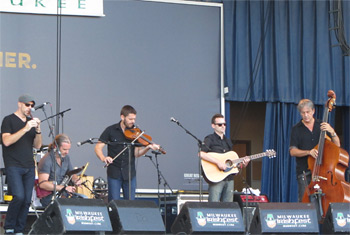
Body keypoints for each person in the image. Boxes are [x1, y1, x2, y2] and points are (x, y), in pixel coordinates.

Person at [94, 105, 160, 201]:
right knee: (114, 203)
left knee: (130, 204)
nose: (133, 121)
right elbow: (98, 147)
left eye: (134, 119)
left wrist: (148, 148)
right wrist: (104, 158)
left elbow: (137, 154)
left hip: (129, 173)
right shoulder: (110, 130)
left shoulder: (137, 133)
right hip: (114, 172)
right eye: (130, 119)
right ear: (122, 117)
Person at [1, 94, 42, 234]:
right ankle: (9, 227)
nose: (29, 108)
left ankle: (19, 229)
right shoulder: (8, 120)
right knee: (18, 196)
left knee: (26, 200)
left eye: (31, 105)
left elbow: (37, 145)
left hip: (29, 165)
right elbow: (6, 141)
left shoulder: (30, 121)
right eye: (27, 105)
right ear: (19, 104)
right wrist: (25, 128)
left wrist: (37, 129)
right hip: (13, 164)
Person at [289, 99, 340, 202]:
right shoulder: (296, 129)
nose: (306, 115)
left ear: (313, 111)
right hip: (305, 172)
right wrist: (309, 152)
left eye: (308, 112)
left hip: (324, 172)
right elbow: (292, 151)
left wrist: (332, 132)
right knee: (305, 203)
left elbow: (337, 145)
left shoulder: (322, 125)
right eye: (303, 113)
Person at [200, 113, 250, 202]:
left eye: (224, 124)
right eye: (220, 124)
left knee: (228, 206)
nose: (223, 126)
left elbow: (231, 163)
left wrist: (243, 164)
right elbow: (202, 154)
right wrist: (218, 162)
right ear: (213, 126)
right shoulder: (210, 139)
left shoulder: (228, 141)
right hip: (216, 178)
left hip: (229, 178)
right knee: (214, 204)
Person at [37, 134, 82, 207]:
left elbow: (72, 173)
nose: (67, 152)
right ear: (56, 147)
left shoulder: (66, 158)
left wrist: (75, 180)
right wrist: (64, 188)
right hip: (49, 196)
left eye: (68, 149)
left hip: (63, 194)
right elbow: (42, 184)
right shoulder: (46, 160)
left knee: (83, 199)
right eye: (64, 149)